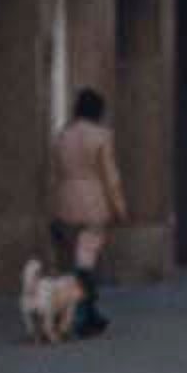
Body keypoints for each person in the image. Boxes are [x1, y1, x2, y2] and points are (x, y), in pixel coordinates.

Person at [44, 86, 122, 337]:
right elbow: (110, 177)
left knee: (72, 265)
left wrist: (52, 205)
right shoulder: (101, 136)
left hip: (65, 201)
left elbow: (53, 174)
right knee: (86, 263)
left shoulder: (62, 136)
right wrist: (119, 206)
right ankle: (81, 316)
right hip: (92, 204)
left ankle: (88, 313)